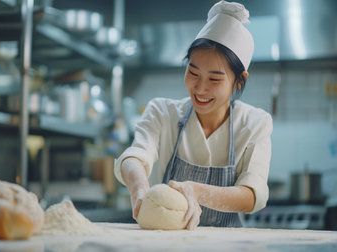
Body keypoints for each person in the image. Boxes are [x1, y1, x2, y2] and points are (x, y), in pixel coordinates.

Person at [114, 1, 273, 229]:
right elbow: (134, 157)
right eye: (193, 72)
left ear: (239, 81)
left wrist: (197, 191)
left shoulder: (255, 124)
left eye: (215, 79)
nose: (200, 88)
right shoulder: (162, 112)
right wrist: (138, 187)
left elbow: (252, 195)